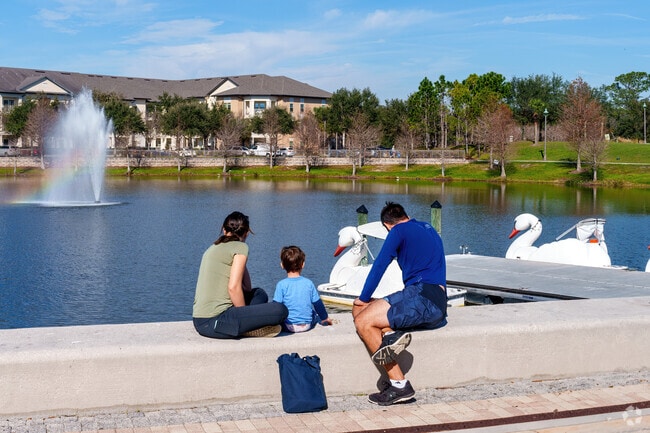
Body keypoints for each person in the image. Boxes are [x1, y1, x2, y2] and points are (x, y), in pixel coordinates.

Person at [352, 202, 447, 406]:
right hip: (438, 302)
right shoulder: (428, 229)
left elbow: (379, 266)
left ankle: (399, 384)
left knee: (362, 319)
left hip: (421, 296)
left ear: (388, 225)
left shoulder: (397, 231)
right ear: (406, 215)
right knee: (375, 318)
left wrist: (363, 297)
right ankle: (389, 334)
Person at [193, 211, 288, 339]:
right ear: (247, 232)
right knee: (280, 310)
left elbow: (247, 288)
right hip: (215, 322)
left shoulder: (213, 247)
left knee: (259, 293)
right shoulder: (240, 247)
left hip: (200, 322)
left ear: (223, 229)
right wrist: (245, 316)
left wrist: (240, 261)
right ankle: (247, 328)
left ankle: (243, 326)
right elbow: (233, 288)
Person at [273, 245, 333, 332]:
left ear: (282, 265)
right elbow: (317, 304)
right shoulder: (308, 283)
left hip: (288, 326)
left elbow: (276, 306)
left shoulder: (281, 285)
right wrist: (325, 318)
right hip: (306, 325)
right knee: (313, 313)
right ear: (303, 265)